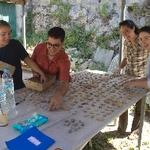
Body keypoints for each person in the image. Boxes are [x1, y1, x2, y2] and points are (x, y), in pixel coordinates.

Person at [116, 20, 149, 134]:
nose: (125, 35)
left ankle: (135, 132)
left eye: (127, 31)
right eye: (123, 33)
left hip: (142, 79)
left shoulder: (143, 41)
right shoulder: (126, 42)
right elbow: (126, 58)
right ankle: (121, 129)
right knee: (123, 105)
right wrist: (118, 68)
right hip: (128, 76)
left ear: (133, 28)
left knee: (139, 108)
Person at [32, 27, 71, 111]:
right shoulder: (39, 48)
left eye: (56, 45)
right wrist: (35, 72)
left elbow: (64, 82)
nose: (52, 48)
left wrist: (59, 95)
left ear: (62, 44)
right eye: (49, 44)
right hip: (37, 84)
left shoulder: (64, 60)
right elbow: (31, 62)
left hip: (54, 86)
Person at [0, 20, 46, 90]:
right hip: (3, 91)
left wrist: (40, 72)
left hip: (18, 86)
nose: (7, 37)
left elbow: (27, 59)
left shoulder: (15, 44)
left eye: (9, 33)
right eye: (3, 34)